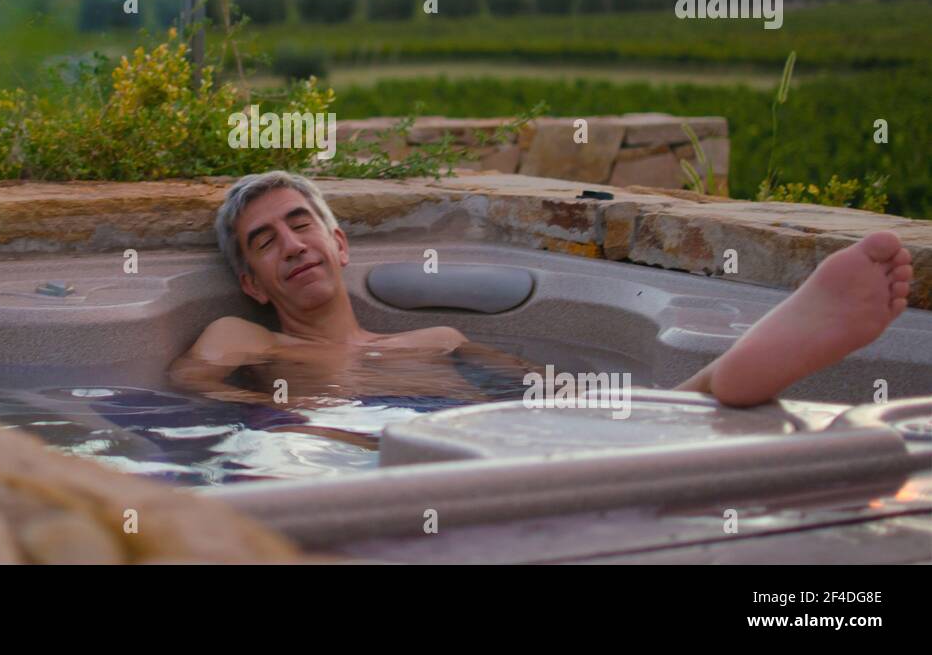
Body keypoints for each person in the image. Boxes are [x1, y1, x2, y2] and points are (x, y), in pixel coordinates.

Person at [171, 171, 914, 421]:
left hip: (469, 449)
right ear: (250, 282)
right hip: (326, 467)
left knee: (617, 421)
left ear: (339, 246)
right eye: (265, 242)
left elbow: (561, 397)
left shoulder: (440, 344)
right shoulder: (249, 341)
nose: (292, 243)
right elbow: (187, 395)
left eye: (303, 224)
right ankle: (724, 384)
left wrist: (609, 408)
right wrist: (294, 421)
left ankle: (713, 387)